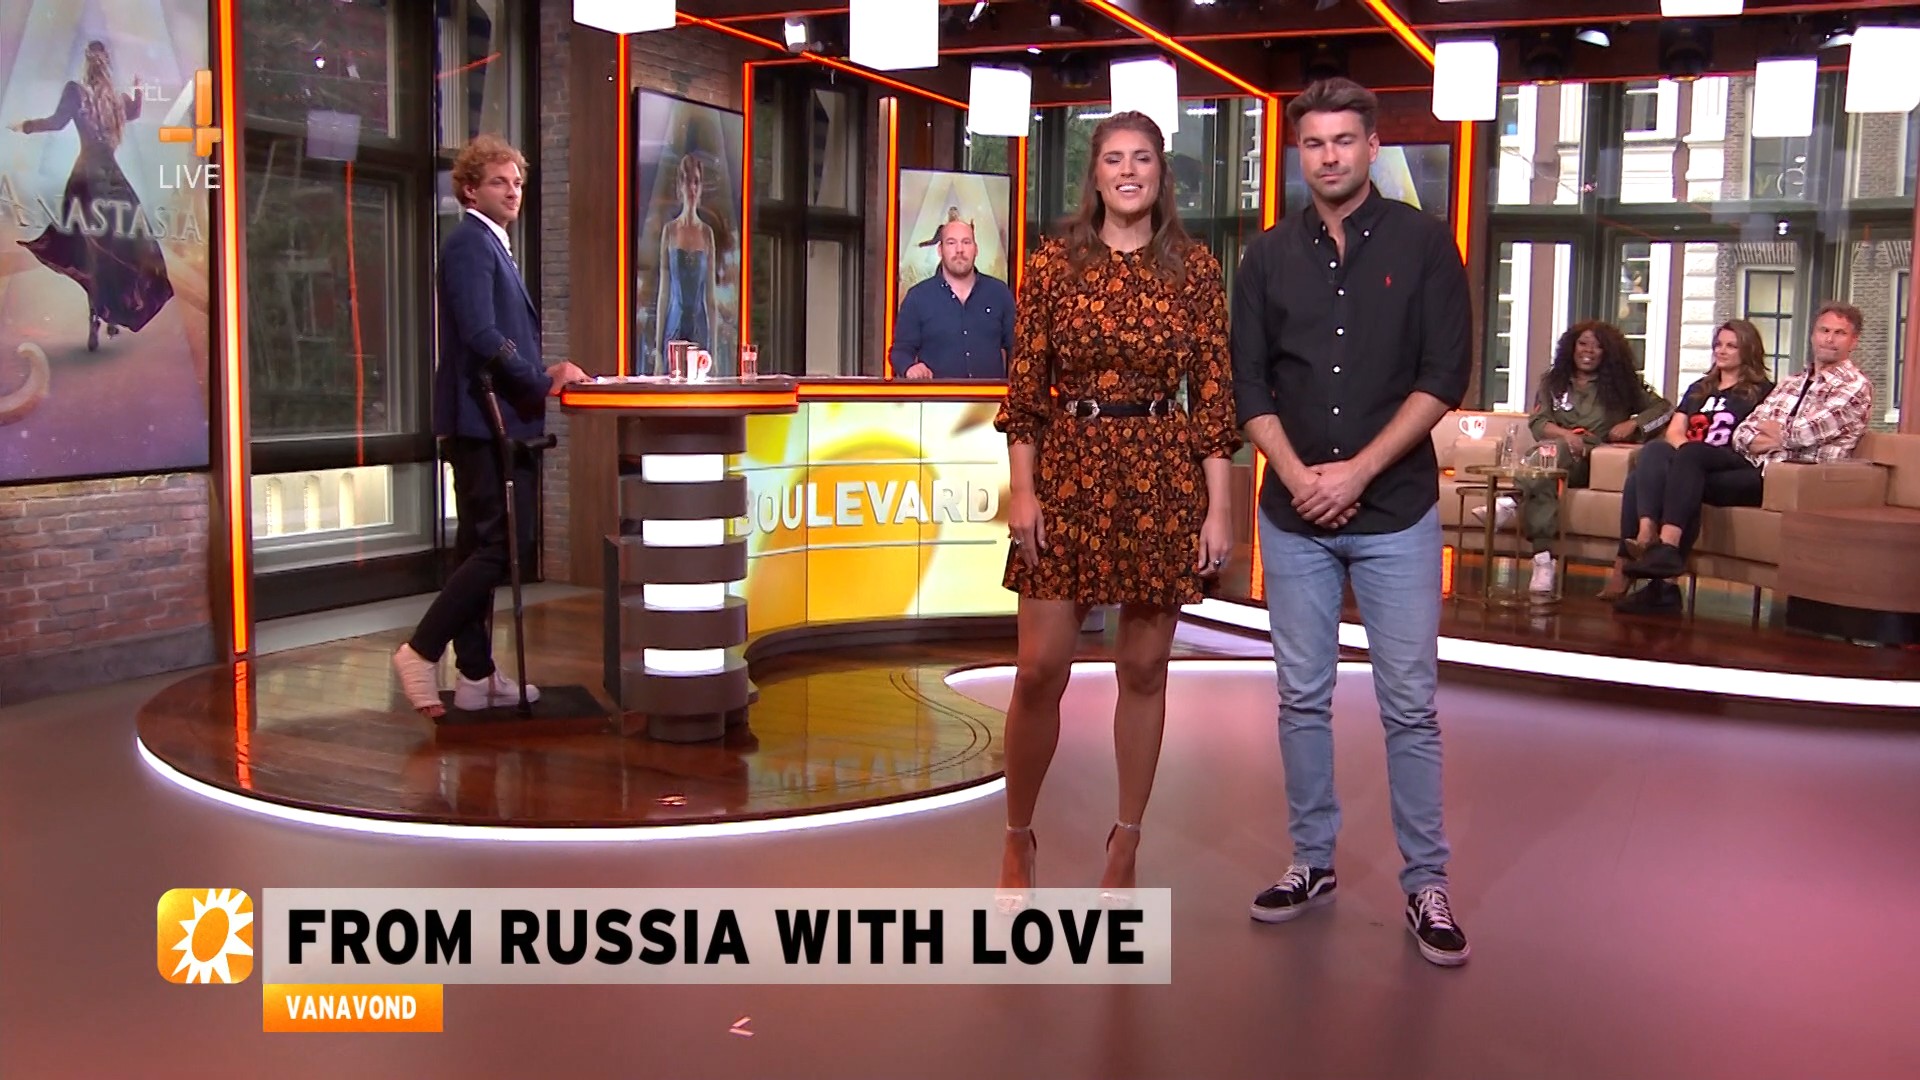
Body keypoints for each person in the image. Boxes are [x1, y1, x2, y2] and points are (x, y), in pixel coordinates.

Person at [1229, 78, 1472, 966]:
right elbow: (1247, 383)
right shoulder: (1266, 257)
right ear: (1299, 153)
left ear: (1372, 147)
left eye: (1343, 140)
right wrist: (1298, 476)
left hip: (1396, 511)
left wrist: (1359, 472)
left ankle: (1426, 884)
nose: (1328, 156)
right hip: (1293, 515)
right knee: (1302, 697)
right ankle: (1312, 862)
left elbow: (1444, 375)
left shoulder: (1424, 244)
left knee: (1409, 704)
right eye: (1313, 143)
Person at [994, 110, 1238, 907]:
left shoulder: (1193, 270)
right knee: (1040, 668)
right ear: (1093, 175)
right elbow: (1025, 391)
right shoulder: (1052, 265)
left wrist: (1219, 508)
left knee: (1143, 667)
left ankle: (1125, 838)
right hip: (1067, 468)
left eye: (1142, 159)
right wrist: (1022, 488)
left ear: (1161, 174)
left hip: (1161, 473)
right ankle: (1018, 834)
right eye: (1113, 159)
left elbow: (1214, 397)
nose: (1128, 171)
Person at [392, 135, 588, 718]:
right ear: (470, 189)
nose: (513, 191)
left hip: (495, 418)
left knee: (478, 549)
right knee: (503, 548)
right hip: (483, 421)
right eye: (500, 182)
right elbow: (481, 334)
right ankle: (419, 651)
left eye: (518, 182)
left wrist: (539, 375)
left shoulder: (492, 244)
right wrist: (537, 380)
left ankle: (475, 675)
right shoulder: (468, 244)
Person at [1622, 301, 1874, 595]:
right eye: (1824, 330)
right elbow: (1743, 433)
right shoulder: (1791, 383)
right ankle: (1661, 574)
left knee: (1681, 471)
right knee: (1674, 465)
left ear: (1853, 341)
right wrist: (1779, 436)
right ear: (1813, 334)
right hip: (1759, 466)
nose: (1829, 339)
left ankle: (1663, 559)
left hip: (1792, 480)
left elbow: (1809, 431)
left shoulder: (1855, 386)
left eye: (1839, 333)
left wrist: (1781, 435)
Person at [1476, 321, 1669, 594]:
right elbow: (1538, 422)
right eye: (1583, 344)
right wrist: (1565, 435)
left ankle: (1511, 500)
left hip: (1590, 460)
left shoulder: (1623, 383)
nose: (1588, 351)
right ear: (1571, 347)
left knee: (1545, 461)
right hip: (1553, 456)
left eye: (1597, 346)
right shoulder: (1553, 381)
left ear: (1608, 352)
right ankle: (1543, 560)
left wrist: (1634, 423)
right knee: (1545, 473)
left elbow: (1664, 409)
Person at [8, 40, 173, 352]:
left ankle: (97, 315)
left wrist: (24, 126)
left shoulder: (76, 92)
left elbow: (55, 123)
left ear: (87, 64)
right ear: (107, 66)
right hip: (112, 181)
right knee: (119, 250)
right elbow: (135, 111)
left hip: (84, 182)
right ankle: (109, 313)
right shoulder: (114, 102)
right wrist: (138, 89)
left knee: (89, 253)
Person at [1602, 320, 1774, 611]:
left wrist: (1688, 456)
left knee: (1681, 466)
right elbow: (1674, 431)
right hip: (1691, 462)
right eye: (1718, 344)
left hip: (1730, 464)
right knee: (1653, 453)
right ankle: (1649, 542)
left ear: (1748, 350)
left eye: (1731, 346)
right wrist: (1684, 457)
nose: (1722, 351)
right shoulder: (1700, 389)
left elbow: (1760, 435)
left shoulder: (1761, 391)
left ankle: (1638, 563)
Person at [889, 217, 1014, 380]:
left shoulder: (999, 293)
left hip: (992, 395)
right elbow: (900, 351)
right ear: (940, 250)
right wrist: (909, 367)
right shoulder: (918, 298)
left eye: (966, 242)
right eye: (951, 243)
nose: (959, 249)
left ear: (976, 249)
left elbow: (1018, 348)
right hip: (938, 395)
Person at [655, 153, 720, 375]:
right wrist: (658, 353)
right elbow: (664, 292)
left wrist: (714, 355)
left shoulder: (707, 234)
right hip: (673, 328)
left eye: (696, 182)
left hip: (699, 328)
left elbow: (711, 298)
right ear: (680, 185)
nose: (692, 188)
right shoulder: (670, 231)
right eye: (687, 181)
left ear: (700, 187)